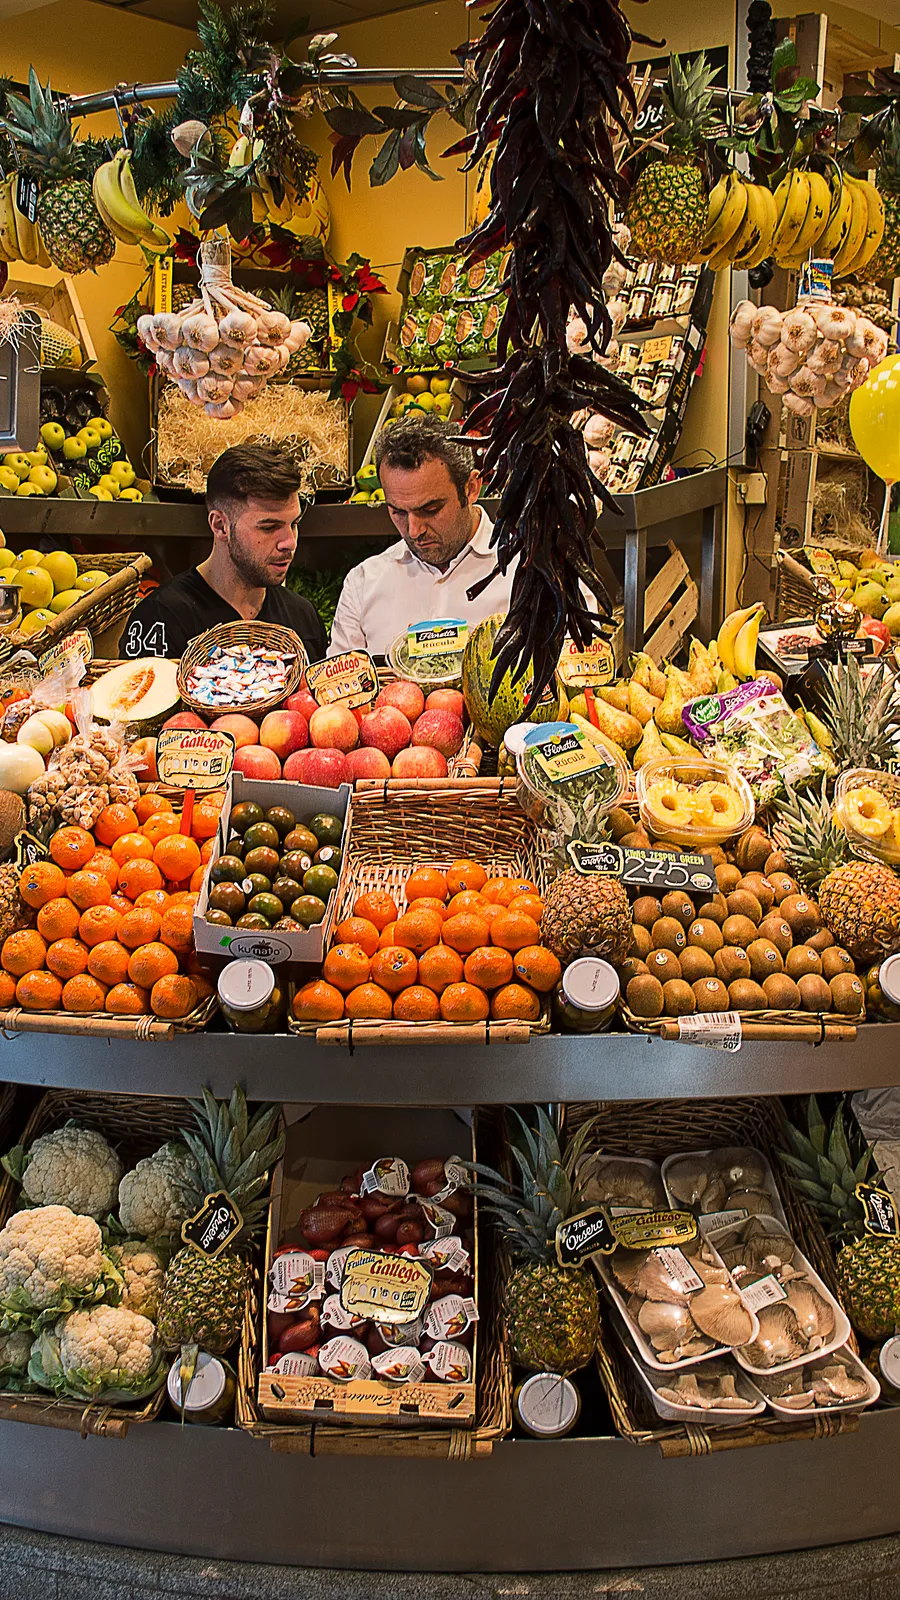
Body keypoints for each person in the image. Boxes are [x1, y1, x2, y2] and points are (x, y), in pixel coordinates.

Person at [329, 414, 513, 657]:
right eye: (398, 512)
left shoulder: (526, 568)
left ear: (471, 489)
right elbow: (342, 686)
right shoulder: (363, 584)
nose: (414, 530)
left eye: (430, 510)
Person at [122, 445, 327, 663]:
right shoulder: (161, 619)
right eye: (269, 527)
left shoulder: (303, 617)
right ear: (220, 526)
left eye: (293, 524)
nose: (290, 542)